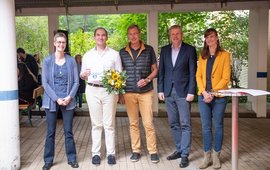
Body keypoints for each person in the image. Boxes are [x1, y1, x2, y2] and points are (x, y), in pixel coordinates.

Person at [80, 27, 122, 166]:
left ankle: (111, 153)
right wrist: (83, 75)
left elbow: (120, 75)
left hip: (109, 91)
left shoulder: (114, 54)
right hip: (92, 91)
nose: (100, 37)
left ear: (107, 37)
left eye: (103, 35)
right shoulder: (87, 55)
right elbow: (82, 74)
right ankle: (96, 154)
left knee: (109, 124)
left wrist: (118, 92)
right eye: (98, 35)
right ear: (94, 38)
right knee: (96, 124)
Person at [157, 25, 197, 168]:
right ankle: (179, 149)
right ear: (170, 35)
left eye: (177, 33)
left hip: (184, 92)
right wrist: (160, 90)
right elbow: (161, 71)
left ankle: (185, 154)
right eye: (172, 34)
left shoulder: (190, 50)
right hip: (168, 92)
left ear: (182, 34)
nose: (175, 36)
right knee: (173, 123)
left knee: (185, 123)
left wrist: (192, 91)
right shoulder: (165, 50)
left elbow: (193, 73)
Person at [119, 24, 159, 163]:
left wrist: (147, 79)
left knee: (148, 123)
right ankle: (136, 150)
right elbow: (119, 74)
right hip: (129, 93)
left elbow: (155, 69)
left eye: (135, 33)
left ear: (140, 34)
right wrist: (120, 93)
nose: (133, 36)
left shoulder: (149, 50)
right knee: (133, 124)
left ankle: (153, 151)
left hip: (146, 92)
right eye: (130, 34)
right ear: (128, 35)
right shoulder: (122, 52)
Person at [41, 32, 79, 170]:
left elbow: (76, 81)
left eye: (63, 42)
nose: (61, 44)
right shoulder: (47, 61)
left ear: (65, 44)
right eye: (59, 42)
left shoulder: (71, 61)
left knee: (68, 131)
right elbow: (45, 83)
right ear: (54, 43)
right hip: (52, 100)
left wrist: (69, 97)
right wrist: (57, 99)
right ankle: (48, 160)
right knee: (50, 132)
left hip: (68, 100)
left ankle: (72, 158)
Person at [196, 28, 231, 169]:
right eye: (207, 37)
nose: (209, 39)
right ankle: (206, 157)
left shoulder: (225, 55)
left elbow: (225, 78)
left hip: (219, 97)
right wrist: (204, 92)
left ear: (217, 38)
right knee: (205, 127)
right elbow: (198, 76)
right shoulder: (202, 56)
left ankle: (216, 157)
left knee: (218, 126)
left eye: (211, 36)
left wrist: (212, 92)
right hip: (204, 97)